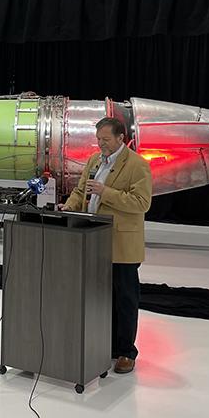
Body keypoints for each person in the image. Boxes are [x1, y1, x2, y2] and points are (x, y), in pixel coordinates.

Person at [62, 117, 152, 375]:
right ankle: (106, 345)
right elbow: (82, 191)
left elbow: (141, 203)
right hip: (94, 240)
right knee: (101, 298)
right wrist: (69, 205)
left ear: (121, 138)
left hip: (122, 244)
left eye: (106, 139)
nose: (100, 144)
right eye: (98, 139)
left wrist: (106, 192)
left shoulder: (137, 165)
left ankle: (126, 352)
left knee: (124, 299)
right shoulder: (94, 160)